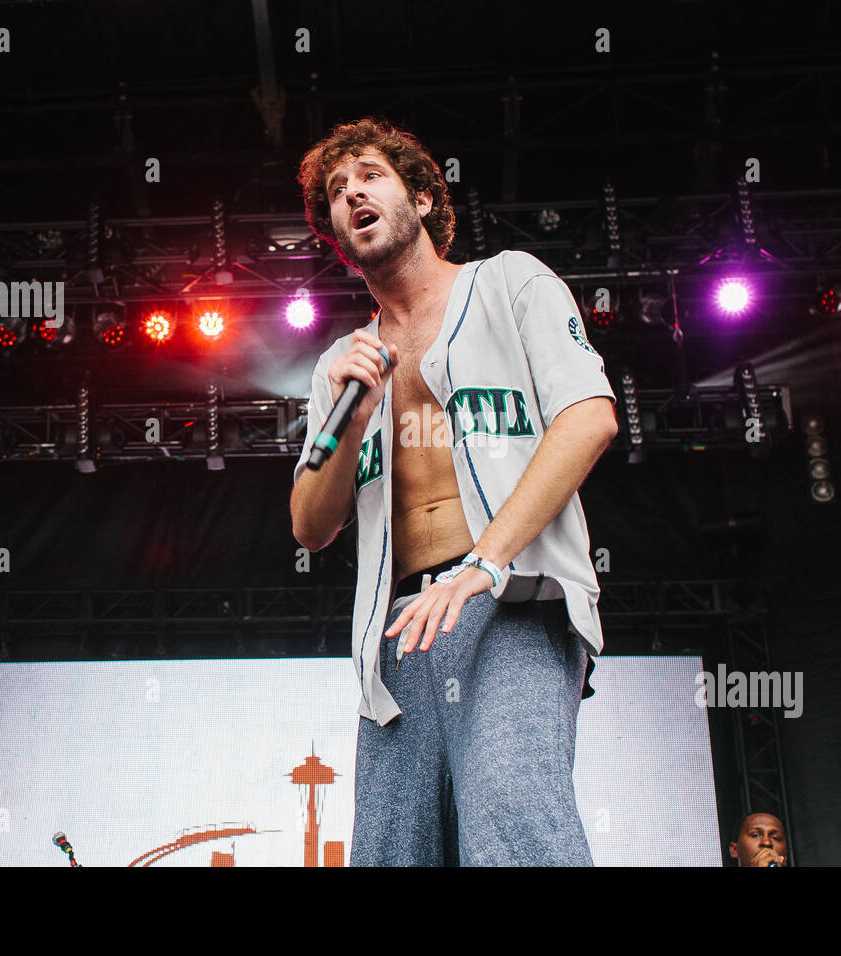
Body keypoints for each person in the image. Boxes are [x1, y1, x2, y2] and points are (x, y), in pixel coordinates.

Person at [290, 116, 618, 865]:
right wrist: (351, 421)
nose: (352, 194)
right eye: (337, 192)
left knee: (513, 828)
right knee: (389, 853)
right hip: (400, 633)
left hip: (512, 601)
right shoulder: (345, 364)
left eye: (369, 175)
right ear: (338, 236)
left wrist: (486, 563)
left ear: (427, 198)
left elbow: (589, 418)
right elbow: (311, 525)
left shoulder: (511, 281)